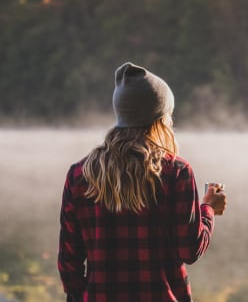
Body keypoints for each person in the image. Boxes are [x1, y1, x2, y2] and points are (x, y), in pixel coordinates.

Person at [58, 62, 227, 302]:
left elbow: (69, 262)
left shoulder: (79, 175)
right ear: (160, 119)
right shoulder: (177, 172)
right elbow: (190, 250)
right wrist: (208, 208)